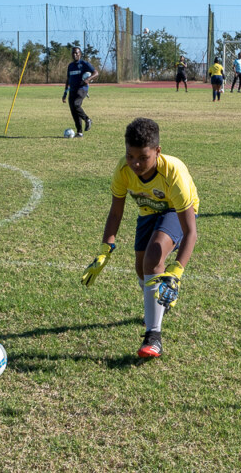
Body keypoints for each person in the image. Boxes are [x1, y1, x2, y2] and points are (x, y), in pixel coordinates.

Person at [81, 118, 199, 358]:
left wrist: (177, 272)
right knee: (142, 270)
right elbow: (116, 212)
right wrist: (105, 248)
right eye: (130, 156)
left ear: (157, 151)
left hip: (174, 211)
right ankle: (159, 301)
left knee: (154, 256)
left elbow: (191, 232)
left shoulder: (173, 173)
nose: (135, 163)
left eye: (143, 157)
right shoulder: (123, 170)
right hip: (147, 212)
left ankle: (153, 337)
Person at [62, 46, 98, 137]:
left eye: (77, 53)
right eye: (73, 53)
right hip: (72, 90)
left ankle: (87, 120)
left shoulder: (84, 64)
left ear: (80, 54)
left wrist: (88, 79)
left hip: (82, 89)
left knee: (76, 104)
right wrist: (65, 93)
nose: (75, 54)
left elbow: (96, 72)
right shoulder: (70, 66)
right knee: (73, 111)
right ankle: (79, 132)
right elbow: (68, 80)